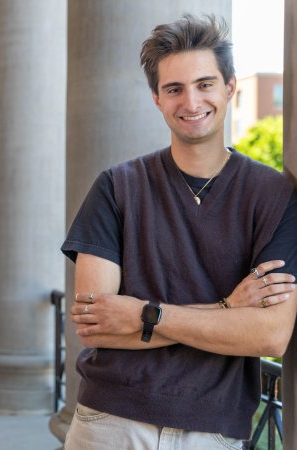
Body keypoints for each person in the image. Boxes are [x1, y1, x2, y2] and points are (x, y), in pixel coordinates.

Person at [61, 14, 297, 450]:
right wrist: (226, 308)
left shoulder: (275, 195)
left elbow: (269, 335)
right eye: (174, 89)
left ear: (229, 87)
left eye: (205, 84)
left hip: (213, 430)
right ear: (156, 98)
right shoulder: (116, 187)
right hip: (110, 421)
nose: (191, 101)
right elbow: (97, 327)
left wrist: (143, 314)